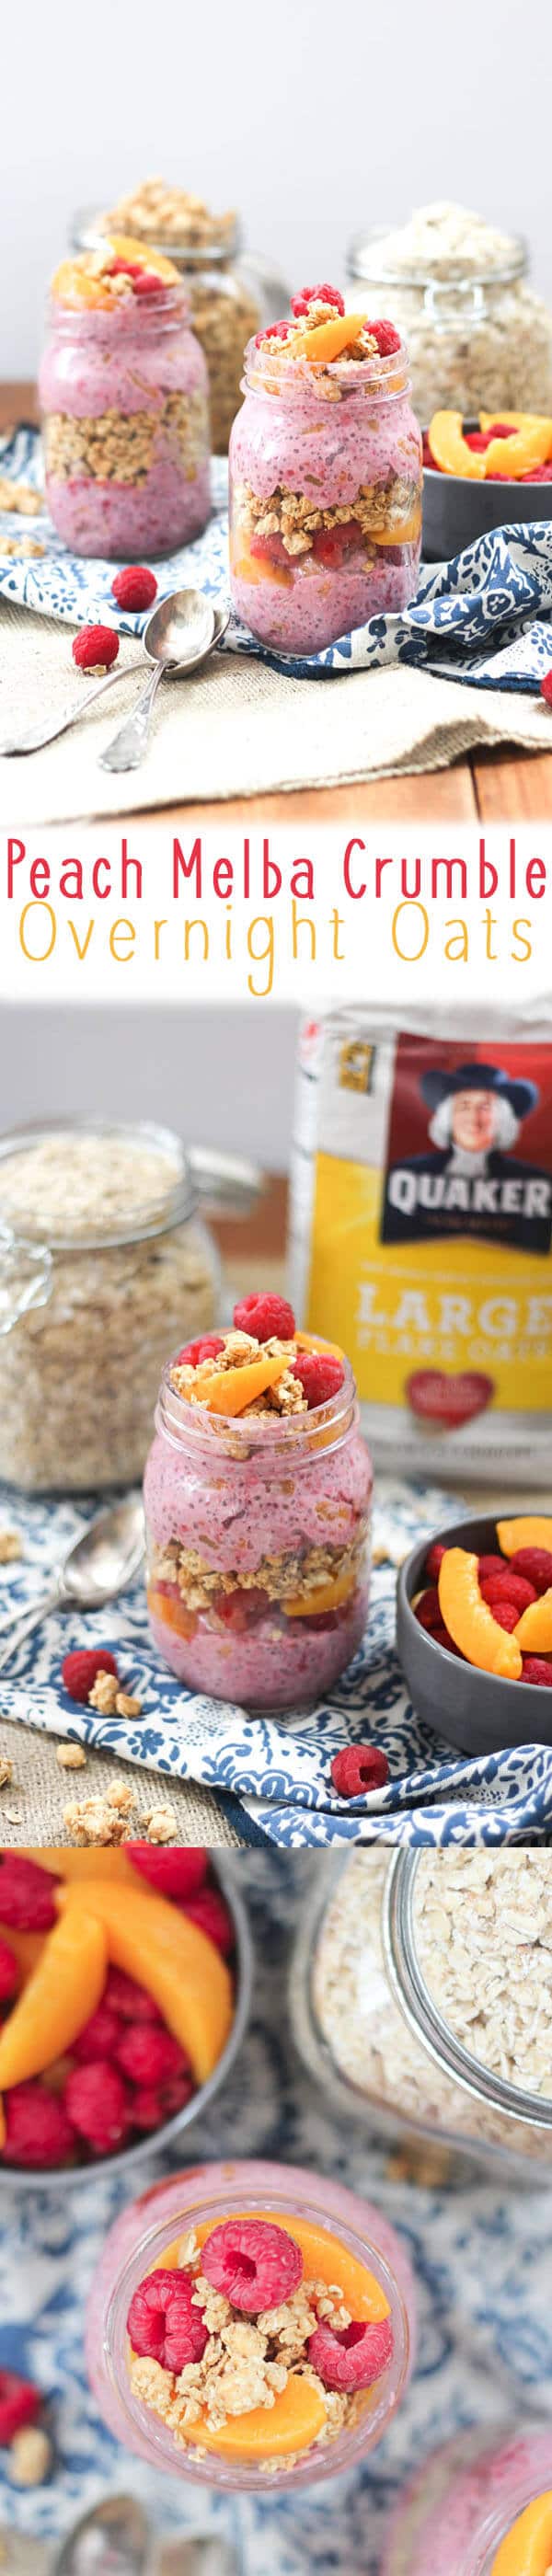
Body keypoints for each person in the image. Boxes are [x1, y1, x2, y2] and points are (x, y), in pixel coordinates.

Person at [381, 1059, 551, 1251]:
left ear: (503, 1119)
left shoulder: (535, 1181)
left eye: (485, 1108)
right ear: (447, 1117)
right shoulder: (404, 1174)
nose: (474, 1119)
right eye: (464, 1107)